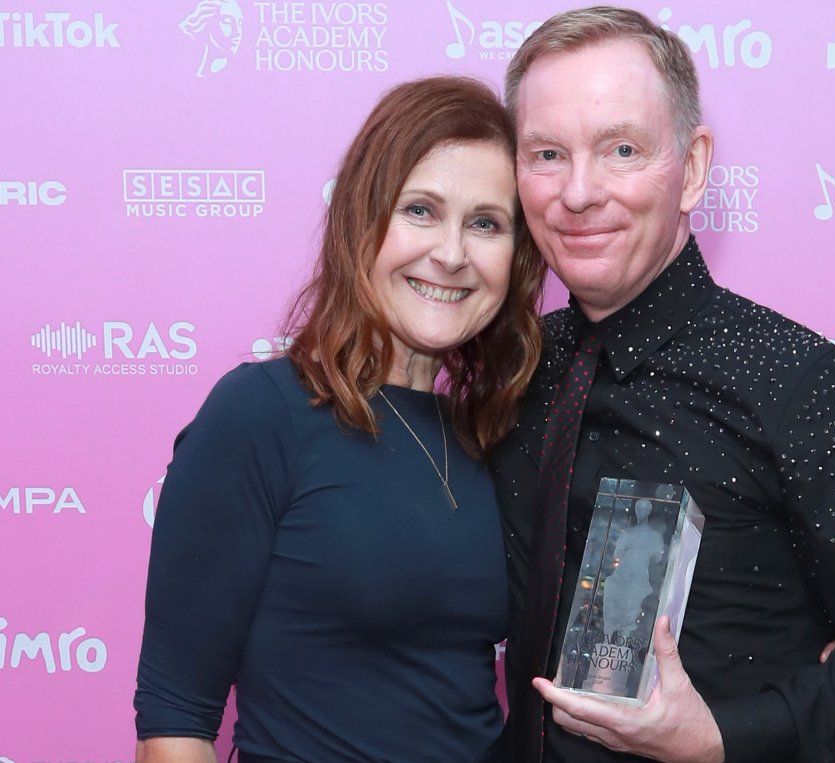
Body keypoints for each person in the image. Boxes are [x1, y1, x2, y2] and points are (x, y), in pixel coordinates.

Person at [490, 8, 835, 763]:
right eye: (548, 153)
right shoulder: (515, 368)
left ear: (695, 166)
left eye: (621, 149)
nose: (578, 192)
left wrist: (720, 737)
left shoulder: (804, 383)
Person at [134, 76, 546, 763]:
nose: (451, 252)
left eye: (486, 223)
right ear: (363, 220)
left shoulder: (488, 435)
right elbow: (175, 722)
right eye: (420, 210)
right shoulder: (262, 413)